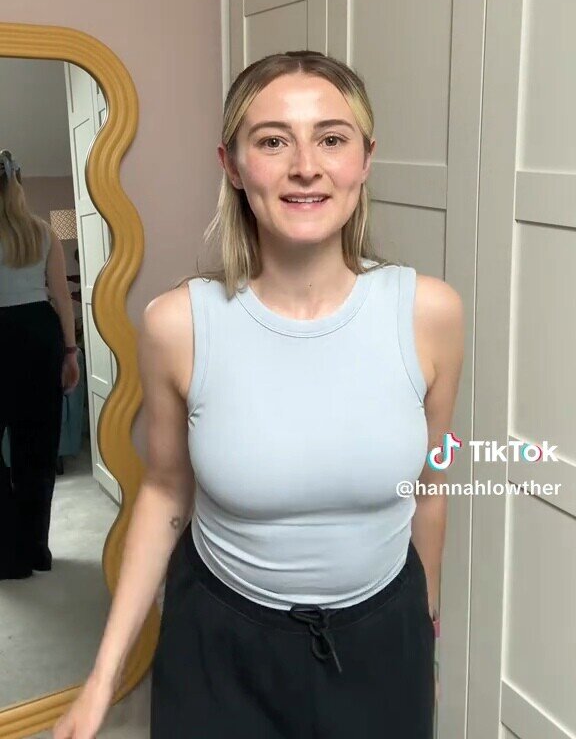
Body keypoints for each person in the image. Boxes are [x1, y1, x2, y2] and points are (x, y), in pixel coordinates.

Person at [53, 51, 464, 739]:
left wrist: (425, 636)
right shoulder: (178, 324)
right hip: (220, 645)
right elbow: (165, 492)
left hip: (382, 639)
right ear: (233, 165)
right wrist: (102, 679)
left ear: (365, 159)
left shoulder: (431, 314)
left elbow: (431, 487)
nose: (306, 166)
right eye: (273, 141)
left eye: (331, 138)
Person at [0, 149, 80, 580]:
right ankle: (35, 550)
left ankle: (7, 553)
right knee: (37, 450)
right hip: (37, 336)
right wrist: (70, 352)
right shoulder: (42, 232)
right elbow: (61, 296)